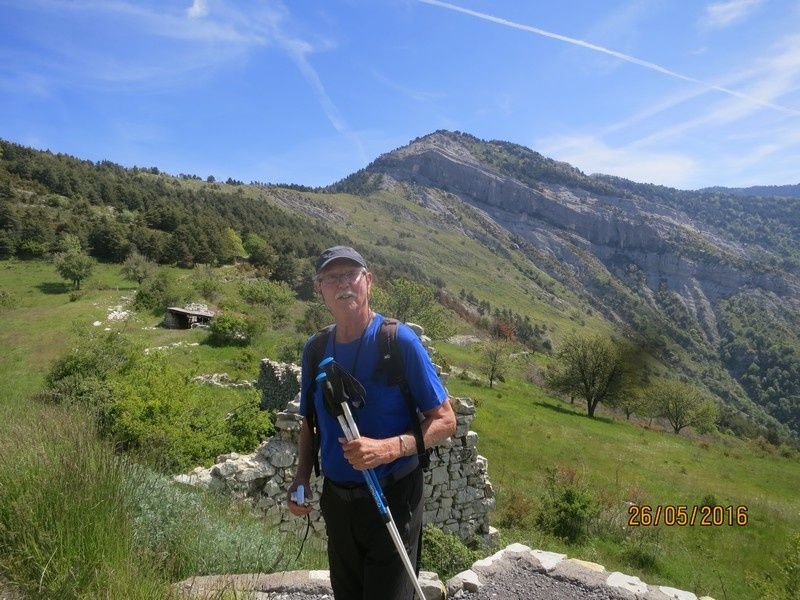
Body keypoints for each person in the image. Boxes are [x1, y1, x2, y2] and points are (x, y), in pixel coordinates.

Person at [287, 245, 456, 600]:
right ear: (319, 289)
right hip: (337, 502)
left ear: (369, 281)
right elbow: (310, 423)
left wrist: (387, 449)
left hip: (393, 496)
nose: (343, 284)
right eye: (332, 278)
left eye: (351, 274)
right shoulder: (315, 349)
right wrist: (301, 478)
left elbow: (444, 420)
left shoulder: (398, 341)